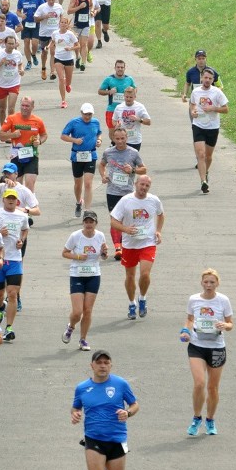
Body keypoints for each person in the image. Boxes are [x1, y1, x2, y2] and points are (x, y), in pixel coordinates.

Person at [70, 350, 138, 470]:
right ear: (92, 366)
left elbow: (134, 405)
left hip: (117, 440)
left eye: (106, 362)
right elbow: (76, 407)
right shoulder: (82, 388)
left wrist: (128, 413)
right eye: (98, 362)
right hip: (94, 439)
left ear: (111, 365)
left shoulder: (120, 384)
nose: (102, 366)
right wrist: (75, 414)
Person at [180, 269, 234, 438]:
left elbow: (230, 323)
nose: (209, 285)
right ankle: (196, 418)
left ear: (217, 283)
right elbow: (189, 319)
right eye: (206, 282)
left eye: (212, 282)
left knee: (212, 388)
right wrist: (185, 331)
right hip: (197, 345)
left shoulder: (223, 300)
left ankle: (210, 420)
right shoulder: (194, 299)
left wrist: (224, 326)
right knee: (199, 383)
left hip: (217, 347)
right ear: (201, 283)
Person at [109, 174, 164, 320]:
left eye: (147, 186)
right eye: (142, 184)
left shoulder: (154, 200)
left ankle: (143, 298)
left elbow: (161, 215)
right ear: (136, 184)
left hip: (148, 242)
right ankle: (131, 303)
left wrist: (158, 231)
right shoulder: (126, 201)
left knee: (145, 274)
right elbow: (113, 221)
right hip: (129, 244)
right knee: (130, 276)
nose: (144, 188)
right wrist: (126, 229)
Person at [62, 210, 108, 351]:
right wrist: (77, 257)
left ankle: (83, 339)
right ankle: (71, 327)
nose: (89, 224)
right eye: (86, 222)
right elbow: (64, 253)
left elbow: (104, 257)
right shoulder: (75, 236)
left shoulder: (100, 236)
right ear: (83, 223)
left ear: (96, 223)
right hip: (77, 274)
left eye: (91, 222)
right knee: (77, 312)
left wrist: (105, 253)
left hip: (94, 274)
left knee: (87, 310)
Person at [98, 127, 146, 261]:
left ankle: (127, 245)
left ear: (127, 138)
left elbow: (144, 169)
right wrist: (103, 176)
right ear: (113, 138)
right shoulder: (108, 152)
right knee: (114, 220)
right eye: (117, 139)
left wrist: (133, 170)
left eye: (122, 138)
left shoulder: (133, 153)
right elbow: (101, 165)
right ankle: (118, 247)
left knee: (126, 220)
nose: (119, 141)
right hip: (112, 191)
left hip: (128, 192)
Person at [0, 190, 29, 343]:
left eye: (14, 199)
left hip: (14, 260)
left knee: (12, 294)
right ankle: (1, 307)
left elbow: (25, 229)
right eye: (8, 198)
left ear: (17, 201)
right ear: (3, 200)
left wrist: (22, 240)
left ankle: (9, 328)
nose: (11, 201)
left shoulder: (22, 216)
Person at [189, 68, 229, 193]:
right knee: (200, 154)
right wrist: (193, 111)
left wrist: (214, 108)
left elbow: (226, 109)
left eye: (210, 79)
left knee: (208, 156)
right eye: (205, 78)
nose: (207, 80)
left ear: (213, 80)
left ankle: (205, 172)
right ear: (201, 78)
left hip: (212, 127)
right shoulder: (196, 92)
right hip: (198, 125)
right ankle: (203, 181)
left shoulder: (217, 92)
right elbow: (192, 104)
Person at [61, 103, 102, 218]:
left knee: (88, 183)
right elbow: (63, 136)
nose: (87, 117)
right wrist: (74, 140)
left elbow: (99, 134)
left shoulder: (96, 122)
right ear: (81, 113)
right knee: (78, 184)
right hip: (77, 156)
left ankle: (87, 211)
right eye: (85, 114)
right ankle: (79, 202)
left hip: (91, 155)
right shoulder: (74, 122)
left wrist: (99, 141)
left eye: (89, 114)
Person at [0, 96, 48, 191]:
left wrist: (40, 141)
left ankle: (30, 205)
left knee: (29, 184)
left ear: (33, 107)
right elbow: (0, 135)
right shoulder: (12, 118)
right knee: (17, 186)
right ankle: (19, 204)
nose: (24, 108)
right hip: (16, 156)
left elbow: (44, 135)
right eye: (23, 105)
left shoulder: (38, 121)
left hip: (32, 155)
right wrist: (13, 135)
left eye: (27, 106)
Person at [0, 31, 24, 123]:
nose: (11, 46)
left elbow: (20, 64)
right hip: (1, 84)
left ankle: (11, 128)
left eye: (13, 44)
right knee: (2, 109)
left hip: (14, 83)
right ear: (5, 43)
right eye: (9, 44)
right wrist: (0, 63)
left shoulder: (17, 54)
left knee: (11, 109)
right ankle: (3, 129)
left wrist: (21, 70)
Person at [98, 59, 136, 138]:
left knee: (126, 132)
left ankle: (124, 147)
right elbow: (100, 91)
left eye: (122, 67)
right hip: (112, 109)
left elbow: (135, 89)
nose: (120, 69)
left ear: (124, 69)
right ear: (115, 68)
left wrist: (131, 92)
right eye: (118, 67)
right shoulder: (109, 79)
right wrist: (109, 92)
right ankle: (113, 145)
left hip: (126, 110)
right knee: (112, 132)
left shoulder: (129, 79)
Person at [50, 14, 79, 109]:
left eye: (65, 23)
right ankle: (63, 101)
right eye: (61, 22)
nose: (63, 24)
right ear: (59, 23)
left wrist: (70, 48)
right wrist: (49, 46)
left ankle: (68, 84)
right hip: (58, 58)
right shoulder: (55, 33)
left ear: (67, 25)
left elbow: (78, 46)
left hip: (69, 59)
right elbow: (53, 41)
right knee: (61, 79)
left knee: (68, 81)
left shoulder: (70, 34)